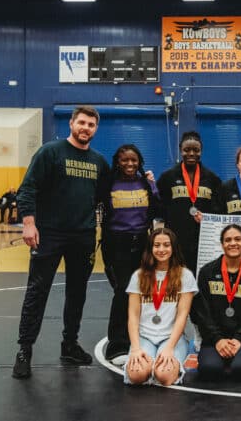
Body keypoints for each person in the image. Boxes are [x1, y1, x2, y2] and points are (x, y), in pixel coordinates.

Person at [12, 106, 110, 379]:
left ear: (95, 129)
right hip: (50, 234)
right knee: (37, 292)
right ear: (71, 123)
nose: (86, 128)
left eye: (91, 124)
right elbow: (27, 188)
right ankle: (24, 350)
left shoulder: (99, 162)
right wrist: (29, 223)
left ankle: (69, 344)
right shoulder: (50, 152)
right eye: (82, 122)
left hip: (83, 236)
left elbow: (107, 197)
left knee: (77, 293)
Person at [100, 144, 160, 363]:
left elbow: (157, 207)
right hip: (117, 244)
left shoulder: (145, 181)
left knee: (142, 292)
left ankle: (140, 337)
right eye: (125, 160)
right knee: (122, 292)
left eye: (134, 160)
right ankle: (117, 345)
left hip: (142, 243)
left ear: (139, 161)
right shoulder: (109, 183)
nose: (129, 164)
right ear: (118, 161)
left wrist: (152, 184)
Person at [191, 224, 241, 381]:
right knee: (210, 369)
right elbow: (201, 312)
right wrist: (217, 339)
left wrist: (239, 339)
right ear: (222, 244)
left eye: (238, 239)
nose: (233, 243)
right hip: (214, 339)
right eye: (228, 240)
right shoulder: (207, 272)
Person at [124, 228, 197, 386]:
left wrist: (169, 348)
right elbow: (133, 316)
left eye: (166, 245)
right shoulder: (139, 276)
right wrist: (136, 348)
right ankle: (149, 364)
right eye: (157, 245)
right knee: (136, 376)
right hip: (145, 337)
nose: (161, 249)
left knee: (164, 376)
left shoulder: (185, 276)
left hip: (171, 338)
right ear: (150, 249)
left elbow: (182, 316)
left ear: (173, 248)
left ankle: (159, 364)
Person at [157, 131, 222, 275]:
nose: (191, 154)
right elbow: (160, 207)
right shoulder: (167, 177)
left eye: (196, 150)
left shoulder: (212, 179)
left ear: (201, 151)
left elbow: (219, 209)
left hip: (203, 241)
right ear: (181, 150)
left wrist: (208, 217)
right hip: (176, 241)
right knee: (177, 280)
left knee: (201, 281)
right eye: (187, 150)